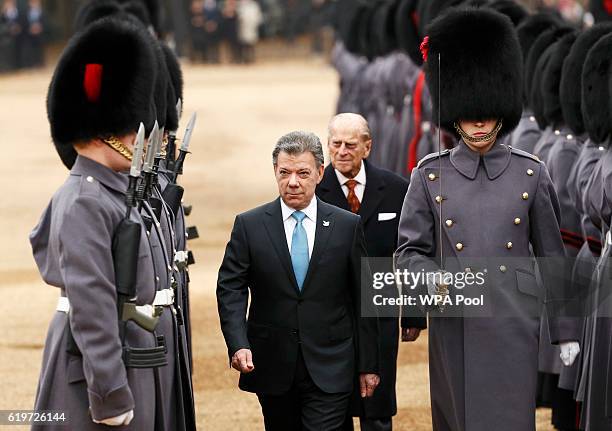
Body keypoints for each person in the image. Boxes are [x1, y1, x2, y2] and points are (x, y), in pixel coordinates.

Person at [394, 9, 580, 430]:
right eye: (468, 113)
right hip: (454, 322)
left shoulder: (530, 173)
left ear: (502, 110)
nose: (478, 121)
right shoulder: (429, 174)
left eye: (486, 113)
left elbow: (552, 258)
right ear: (453, 113)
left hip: (513, 321)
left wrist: (565, 331)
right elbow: (408, 253)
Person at [29, 17, 165, 429]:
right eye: (130, 129)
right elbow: (91, 304)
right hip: (89, 377)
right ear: (106, 131)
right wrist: (110, 393)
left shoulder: (108, 190)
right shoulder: (85, 200)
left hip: (124, 356)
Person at [217, 131, 380, 430]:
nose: (293, 182)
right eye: (285, 173)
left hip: (332, 362)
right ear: (275, 172)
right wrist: (238, 343)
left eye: (303, 173)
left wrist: (369, 364)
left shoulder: (347, 226)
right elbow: (231, 287)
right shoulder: (249, 225)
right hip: (272, 364)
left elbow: (364, 297)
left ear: (320, 173)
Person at [316, 113, 426, 431]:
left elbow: (414, 250)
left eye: (351, 144)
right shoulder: (313, 191)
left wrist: (416, 313)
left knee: (376, 408)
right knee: (331, 407)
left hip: (380, 311)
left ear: (367, 147)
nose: (342, 151)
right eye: (335, 144)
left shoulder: (395, 188)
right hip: (329, 313)